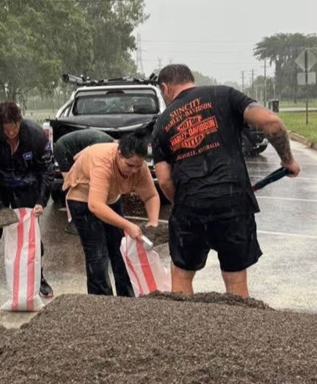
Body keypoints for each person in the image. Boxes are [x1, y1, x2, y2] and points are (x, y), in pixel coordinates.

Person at [151, 64, 301, 298]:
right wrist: (288, 161)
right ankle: (239, 329)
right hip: (233, 201)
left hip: (190, 205)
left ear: (165, 87)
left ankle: (181, 329)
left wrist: (183, 204)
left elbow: (164, 180)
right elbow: (271, 122)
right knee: (234, 278)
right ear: (190, 80)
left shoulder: (162, 122)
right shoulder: (224, 95)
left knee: (181, 275)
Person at [0, 101, 55, 310]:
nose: (12, 132)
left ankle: (38, 278)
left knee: (30, 234)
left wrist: (41, 201)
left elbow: (47, 170)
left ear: (20, 121)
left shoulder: (35, 135)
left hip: (26, 186)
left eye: (14, 127)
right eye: (6, 129)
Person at [63, 129, 161, 297]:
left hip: (109, 198)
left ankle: (126, 298)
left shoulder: (139, 167)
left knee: (121, 250)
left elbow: (151, 196)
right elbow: (95, 205)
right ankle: (101, 302)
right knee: (97, 253)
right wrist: (128, 225)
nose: (134, 171)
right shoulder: (104, 163)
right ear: (119, 154)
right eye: (130, 165)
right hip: (83, 198)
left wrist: (153, 223)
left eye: (138, 166)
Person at [53, 129, 114, 234]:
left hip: (74, 151)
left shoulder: (109, 147)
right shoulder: (99, 146)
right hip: (63, 150)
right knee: (72, 185)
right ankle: (72, 222)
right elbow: (77, 157)